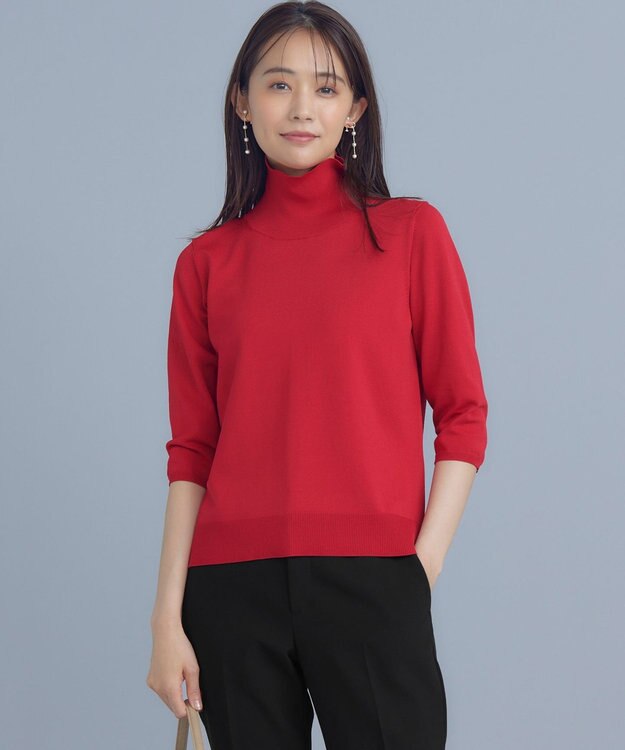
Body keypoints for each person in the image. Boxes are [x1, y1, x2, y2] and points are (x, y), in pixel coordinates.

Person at [146, 2, 488, 748]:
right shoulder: (205, 263)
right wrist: (165, 620)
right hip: (230, 587)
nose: (302, 107)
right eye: (278, 84)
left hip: (373, 579)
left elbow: (463, 414)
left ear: (355, 107)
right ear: (242, 101)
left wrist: (417, 570)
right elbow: (192, 449)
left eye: (326, 87)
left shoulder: (410, 234)